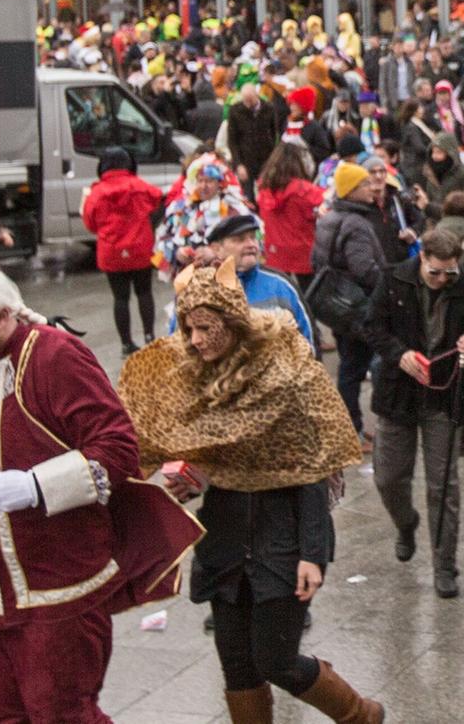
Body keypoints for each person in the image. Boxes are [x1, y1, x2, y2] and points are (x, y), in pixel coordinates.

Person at [0, 258, 198, 724]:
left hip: (60, 591)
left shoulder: (55, 356)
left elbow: (118, 448)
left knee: (63, 716)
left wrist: (35, 487)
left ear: (1, 316)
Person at [118, 260, 381, 724]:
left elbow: (309, 471)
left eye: (204, 328)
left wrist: (312, 557)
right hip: (225, 542)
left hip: (283, 541)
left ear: (231, 323)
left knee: (276, 661)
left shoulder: (287, 375)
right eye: (188, 329)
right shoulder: (197, 378)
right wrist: (189, 477)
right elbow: (213, 462)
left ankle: (361, 715)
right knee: (236, 667)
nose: (194, 340)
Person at [363, 234, 464, 598]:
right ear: (422, 259)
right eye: (435, 273)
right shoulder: (394, 279)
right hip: (398, 395)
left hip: (444, 395)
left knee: (444, 485)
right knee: (389, 477)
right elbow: (371, 326)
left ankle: (445, 564)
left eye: (448, 273)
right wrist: (399, 354)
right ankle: (406, 524)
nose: (442, 280)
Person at [314, 161, 395, 435]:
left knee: (349, 366)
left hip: (337, 305)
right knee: (358, 367)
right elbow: (364, 269)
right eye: (363, 184)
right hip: (358, 306)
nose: (371, 187)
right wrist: (388, 287)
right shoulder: (355, 223)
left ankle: (352, 426)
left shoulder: (330, 218)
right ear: (350, 190)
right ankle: (353, 430)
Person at [182, 212, 315, 349]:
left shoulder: (280, 284)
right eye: (239, 239)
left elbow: (307, 339)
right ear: (217, 249)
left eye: (253, 237)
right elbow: (181, 345)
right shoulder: (198, 290)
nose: (251, 244)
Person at [82, 147, 166, 354]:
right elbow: (160, 199)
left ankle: (126, 343)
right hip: (140, 249)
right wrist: (150, 222)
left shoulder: (96, 192)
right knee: (144, 292)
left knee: (120, 298)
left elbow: (90, 224)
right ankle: (149, 336)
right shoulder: (139, 186)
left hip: (111, 253)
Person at [251, 143, 325, 288]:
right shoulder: (306, 190)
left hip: (274, 254)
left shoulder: (263, 189)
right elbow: (326, 204)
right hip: (303, 254)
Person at [225, 80, 286, 185]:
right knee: (247, 195)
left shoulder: (269, 108)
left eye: (250, 100)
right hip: (245, 160)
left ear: (256, 95)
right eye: (245, 101)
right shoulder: (235, 111)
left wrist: (273, 160)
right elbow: (232, 140)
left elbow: (274, 133)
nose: (248, 105)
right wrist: (238, 164)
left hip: (265, 159)